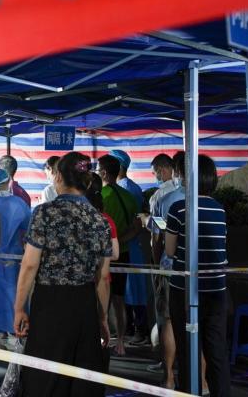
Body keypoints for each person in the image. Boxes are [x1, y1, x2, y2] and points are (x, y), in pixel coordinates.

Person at [14, 151, 112, 397]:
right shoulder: (99, 221)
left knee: (45, 377)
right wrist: (101, 318)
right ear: (88, 181)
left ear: (57, 177)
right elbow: (102, 277)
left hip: (50, 303)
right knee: (81, 380)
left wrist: (19, 308)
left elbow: (29, 265)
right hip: (85, 304)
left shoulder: (44, 213)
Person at [164, 154, 230, 396]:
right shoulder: (219, 209)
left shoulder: (179, 207)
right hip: (217, 290)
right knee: (217, 351)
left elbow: (170, 251)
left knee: (187, 349)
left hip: (185, 288)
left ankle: (188, 391)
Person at [146, 152, 184, 388]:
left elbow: (157, 239)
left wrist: (156, 260)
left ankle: (169, 375)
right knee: (196, 321)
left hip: (170, 268)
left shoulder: (164, 199)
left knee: (168, 320)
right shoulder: (209, 201)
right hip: (200, 271)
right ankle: (200, 379)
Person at [98, 153, 140, 357]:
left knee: (101, 296)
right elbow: (136, 226)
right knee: (119, 299)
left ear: (104, 173)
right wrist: (121, 241)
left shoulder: (101, 196)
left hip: (104, 256)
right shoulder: (129, 196)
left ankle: (102, 336)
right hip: (123, 253)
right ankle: (121, 342)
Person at [0, 168, 31, 345]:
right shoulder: (19, 204)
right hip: (14, 259)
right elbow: (29, 231)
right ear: (8, 181)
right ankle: (17, 329)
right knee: (15, 294)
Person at [109, 150, 148, 345]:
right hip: (129, 245)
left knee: (131, 290)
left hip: (127, 246)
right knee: (127, 290)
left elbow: (136, 222)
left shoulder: (123, 190)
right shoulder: (132, 188)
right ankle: (130, 330)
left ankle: (138, 331)